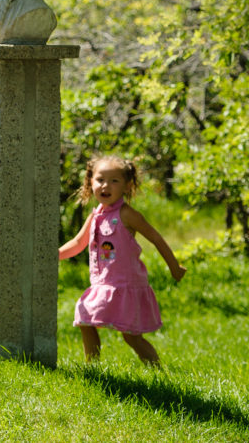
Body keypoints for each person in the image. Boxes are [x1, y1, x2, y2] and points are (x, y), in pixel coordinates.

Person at [59, 155, 187, 365]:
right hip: (103, 285)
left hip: (125, 286)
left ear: (127, 186)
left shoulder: (127, 214)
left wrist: (174, 267)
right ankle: (93, 367)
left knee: (131, 336)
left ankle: (156, 370)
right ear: (91, 183)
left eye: (114, 181)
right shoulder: (94, 216)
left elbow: (155, 238)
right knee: (84, 318)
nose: (105, 185)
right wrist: (54, 255)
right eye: (100, 180)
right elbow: (77, 243)